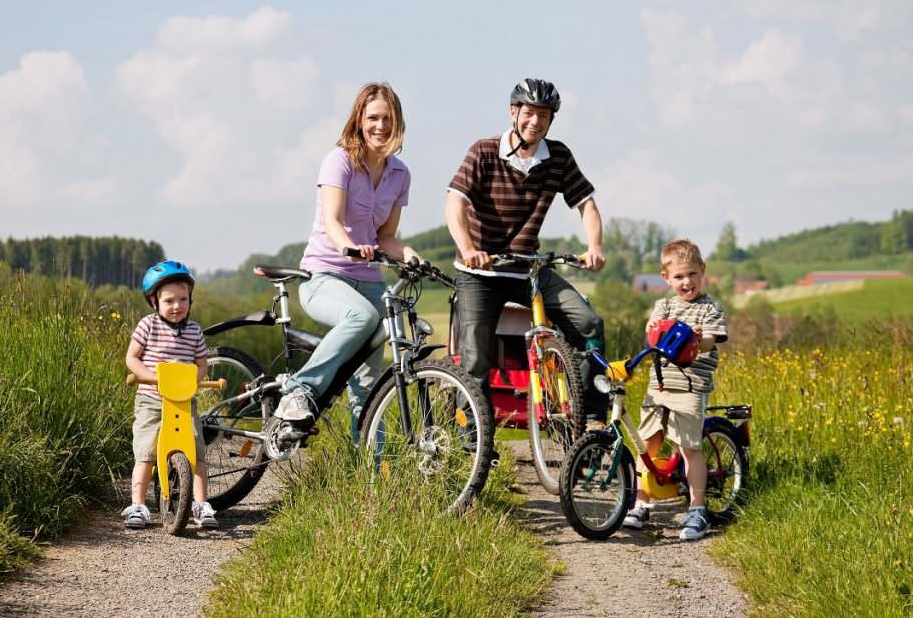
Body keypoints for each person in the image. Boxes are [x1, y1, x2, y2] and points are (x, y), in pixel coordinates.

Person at [445, 78, 609, 426]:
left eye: (544, 116)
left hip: (526, 270)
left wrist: (594, 246)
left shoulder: (559, 156)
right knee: (475, 360)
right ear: (513, 112)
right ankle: (471, 440)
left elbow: (587, 205)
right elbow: (454, 203)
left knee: (589, 324)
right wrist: (468, 248)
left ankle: (589, 420)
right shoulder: (484, 151)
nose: (535, 122)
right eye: (529, 113)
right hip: (480, 272)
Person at [274, 82, 420, 443]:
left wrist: (410, 254)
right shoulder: (339, 160)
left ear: (398, 123)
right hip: (324, 276)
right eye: (373, 117)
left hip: (369, 281)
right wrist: (349, 247)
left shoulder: (400, 174)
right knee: (364, 317)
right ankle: (299, 391)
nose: (380, 126)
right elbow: (332, 222)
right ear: (359, 119)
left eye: (388, 119)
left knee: (368, 387)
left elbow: (386, 236)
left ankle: (374, 475)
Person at [622, 239, 728, 540]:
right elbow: (653, 332)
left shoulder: (709, 308)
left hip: (691, 386)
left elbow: (711, 340)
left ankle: (697, 509)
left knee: (689, 447)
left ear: (702, 271)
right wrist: (658, 332)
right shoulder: (664, 306)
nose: (687, 282)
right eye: (679, 276)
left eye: (692, 274)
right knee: (647, 445)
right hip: (660, 383)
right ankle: (642, 502)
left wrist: (698, 339)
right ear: (666, 278)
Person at [122, 260, 218, 530]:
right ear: (155, 302)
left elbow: (202, 363)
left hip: (184, 401)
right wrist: (148, 375)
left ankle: (200, 503)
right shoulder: (148, 326)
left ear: (190, 299)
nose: (177, 306)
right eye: (169, 301)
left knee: (196, 450)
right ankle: (138, 505)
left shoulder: (194, 331)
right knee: (147, 451)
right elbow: (131, 358)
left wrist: (196, 381)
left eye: (183, 299)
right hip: (152, 398)